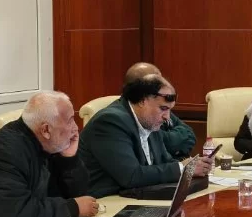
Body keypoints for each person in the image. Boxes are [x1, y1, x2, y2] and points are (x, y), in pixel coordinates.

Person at [79, 74, 214, 198]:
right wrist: (182, 168)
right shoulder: (110, 122)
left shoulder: (149, 121)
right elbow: (131, 176)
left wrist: (192, 165)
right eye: (163, 108)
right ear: (142, 100)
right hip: (105, 201)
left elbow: (164, 160)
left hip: (136, 196)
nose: (167, 117)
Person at [124, 61, 196, 159]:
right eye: (157, 82)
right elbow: (166, 144)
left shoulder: (160, 105)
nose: (167, 117)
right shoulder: (127, 117)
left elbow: (190, 134)